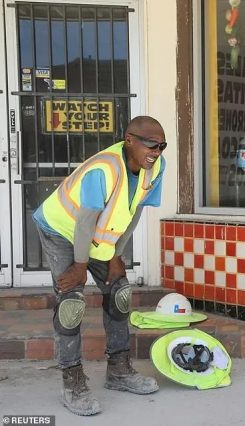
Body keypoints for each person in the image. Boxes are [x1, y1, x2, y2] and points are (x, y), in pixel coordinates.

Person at [32, 116, 167, 416]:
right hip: (61, 228)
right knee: (71, 303)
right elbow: (84, 221)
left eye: (162, 145)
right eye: (151, 144)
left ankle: (119, 370)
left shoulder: (155, 168)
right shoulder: (103, 170)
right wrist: (80, 266)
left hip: (92, 234)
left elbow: (134, 212)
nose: (157, 151)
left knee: (119, 292)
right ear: (129, 139)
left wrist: (117, 254)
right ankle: (72, 379)